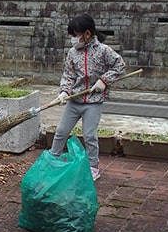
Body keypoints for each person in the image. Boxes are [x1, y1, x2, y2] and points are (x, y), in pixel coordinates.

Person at [47, 13, 125, 181]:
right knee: (61, 131)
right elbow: (68, 75)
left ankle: (93, 167)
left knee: (89, 136)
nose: (73, 39)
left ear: (87, 34)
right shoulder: (72, 53)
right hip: (74, 100)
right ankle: (52, 159)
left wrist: (104, 80)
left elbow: (120, 65)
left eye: (75, 35)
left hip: (93, 102)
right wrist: (64, 92)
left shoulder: (104, 51)